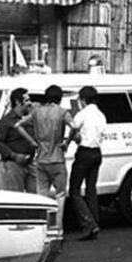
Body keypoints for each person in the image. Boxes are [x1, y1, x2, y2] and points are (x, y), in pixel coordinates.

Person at [67, 86, 106, 241]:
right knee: (91, 189)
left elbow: (74, 129)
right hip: (97, 152)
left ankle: (88, 223)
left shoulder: (82, 114)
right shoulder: (101, 115)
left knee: (75, 190)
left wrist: (69, 141)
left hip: (84, 152)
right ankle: (95, 221)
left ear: (83, 100)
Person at [29, 85, 73, 218]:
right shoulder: (62, 112)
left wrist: (32, 141)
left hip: (41, 158)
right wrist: (67, 141)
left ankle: (44, 228)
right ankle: (57, 230)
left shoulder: (36, 112)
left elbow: (21, 124)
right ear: (59, 99)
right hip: (57, 158)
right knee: (60, 195)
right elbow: (75, 126)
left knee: (42, 196)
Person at [0, 88, 37, 193]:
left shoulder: (28, 120)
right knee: (16, 196)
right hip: (14, 165)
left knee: (36, 198)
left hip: (30, 163)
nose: (29, 103)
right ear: (18, 102)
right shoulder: (6, 121)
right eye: (26, 100)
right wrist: (14, 156)